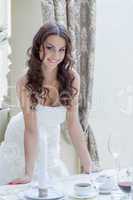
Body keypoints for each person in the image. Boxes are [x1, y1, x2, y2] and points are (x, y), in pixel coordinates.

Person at [0, 22, 92, 185]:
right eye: (50, 47)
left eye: (61, 50)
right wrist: (28, 173)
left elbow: (73, 124)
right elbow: (31, 130)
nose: (55, 55)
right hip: (23, 137)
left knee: (54, 184)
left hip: (49, 138)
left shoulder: (72, 79)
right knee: (29, 185)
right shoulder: (25, 82)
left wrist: (88, 165)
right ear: (39, 48)